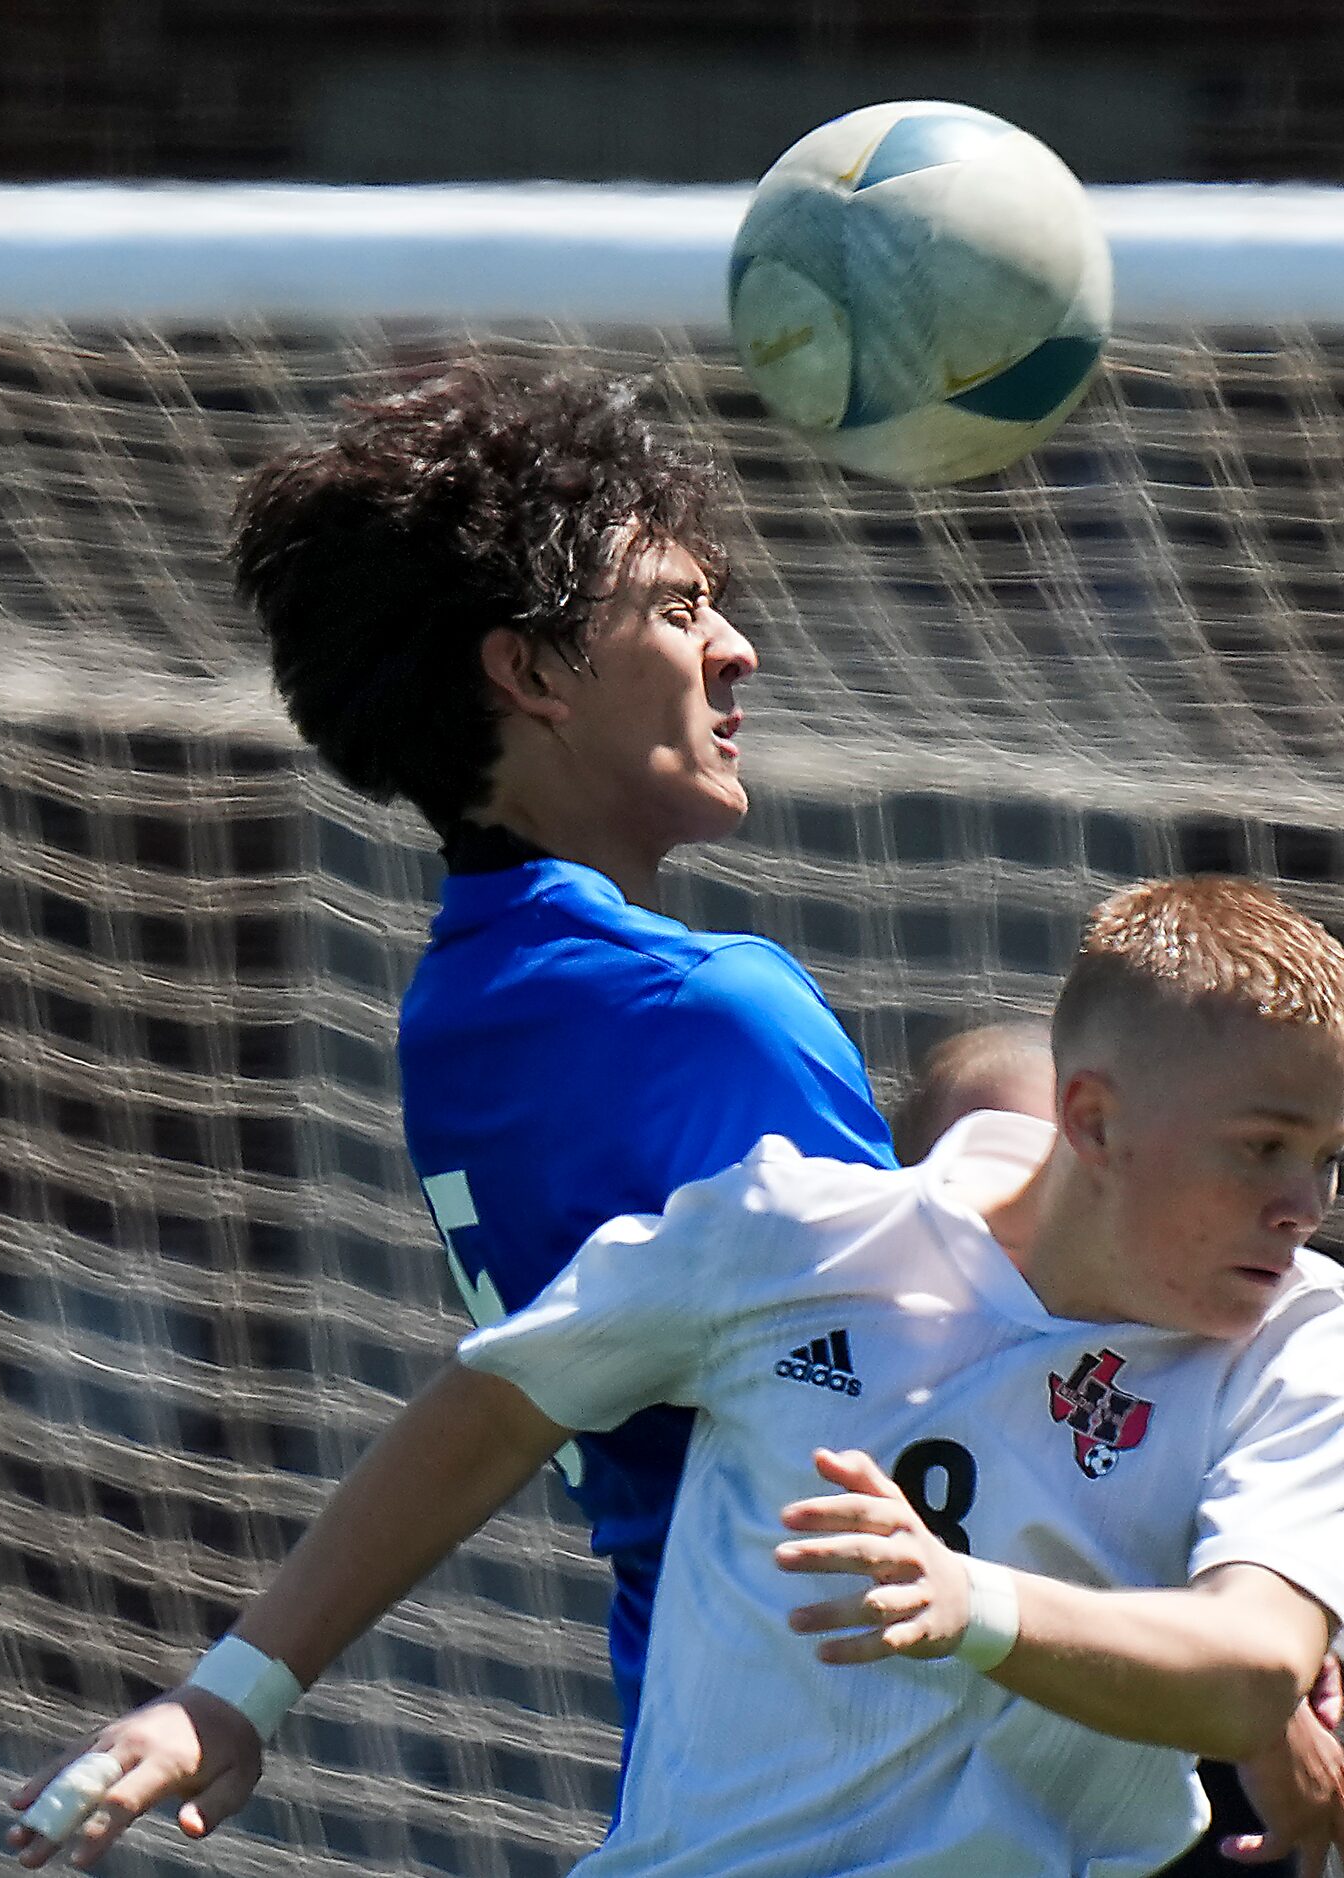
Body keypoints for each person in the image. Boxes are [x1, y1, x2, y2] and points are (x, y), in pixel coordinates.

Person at [9, 875, 1344, 1878]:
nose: (1306, 1201)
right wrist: (232, 1694)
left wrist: (970, 1602)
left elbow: (1254, 1664)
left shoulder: (1301, 1338)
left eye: (1329, 1153)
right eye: (1262, 1146)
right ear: (1092, 1117)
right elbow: (499, 1400)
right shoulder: (793, 1232)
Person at [219, 361, 898, 1770]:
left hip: (692, 1745)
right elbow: (935, 1401)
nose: (738, 647)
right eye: (676, 605)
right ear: (527, 672)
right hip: (875, 1760)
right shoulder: (710, 1008)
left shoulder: (457, 1014)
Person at [900, 1023, 1344, 1878]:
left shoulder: (1246, 1378)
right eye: (981, 1163)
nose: (1029, 1193)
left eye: (1045, 1158)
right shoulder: (867, 1359)